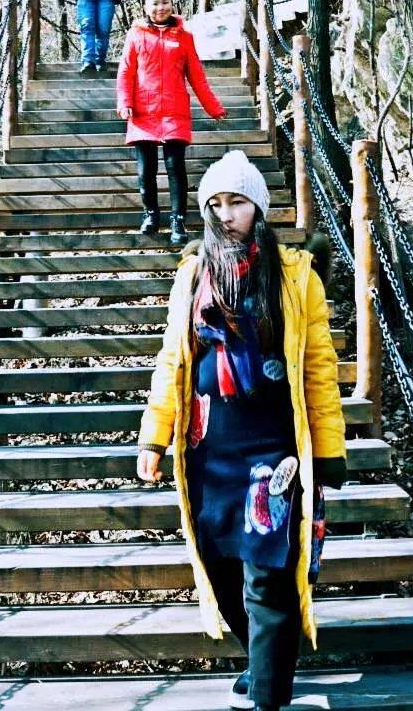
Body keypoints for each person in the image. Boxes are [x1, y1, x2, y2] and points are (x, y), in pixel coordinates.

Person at [136, 151, 347, 711]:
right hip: (210, 446)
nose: (226, 213)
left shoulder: (296, 275)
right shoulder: (192, 275)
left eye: (237, 202)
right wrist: (153, 437)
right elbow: (172, 362)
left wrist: (329, 448)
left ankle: (268, 696)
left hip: (275, 449)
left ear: (259, 206)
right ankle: (262, 659)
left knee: (268, 572)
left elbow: (320, 365)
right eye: (216, 203)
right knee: (221, 562)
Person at [116, 0, 227, 246]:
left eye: (165, 2)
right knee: (146, 170)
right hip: (143, 112)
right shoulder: (135, 35)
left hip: (174, 111)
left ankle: (178, 220)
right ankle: (151, 214)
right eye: (155, 4)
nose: (160, 8)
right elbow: (125, 72)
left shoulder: (184, 37)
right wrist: (125, 102)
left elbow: (196, 76)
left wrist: (213, 107)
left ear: (172, 4)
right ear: (145, 6)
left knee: (175, 167)